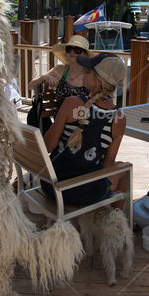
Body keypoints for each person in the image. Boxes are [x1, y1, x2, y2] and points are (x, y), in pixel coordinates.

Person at [42, 53, 127, 206]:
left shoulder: (71, 103)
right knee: (124, 168)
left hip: (51, 186)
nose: (82, 72)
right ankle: (116, 221)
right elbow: (108, 164)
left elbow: (47, 146)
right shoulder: (119, 119)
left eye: (88, 71)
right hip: (85, 194)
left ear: (99, 82)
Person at [29, 34, 92, 109]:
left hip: (84, 117)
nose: (72, 52)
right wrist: (43, 77)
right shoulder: (59, 70)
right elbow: (31, 86)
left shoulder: (90, 74)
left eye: (77, 50)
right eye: (69, 49)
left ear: (85, 55)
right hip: (61, 118)